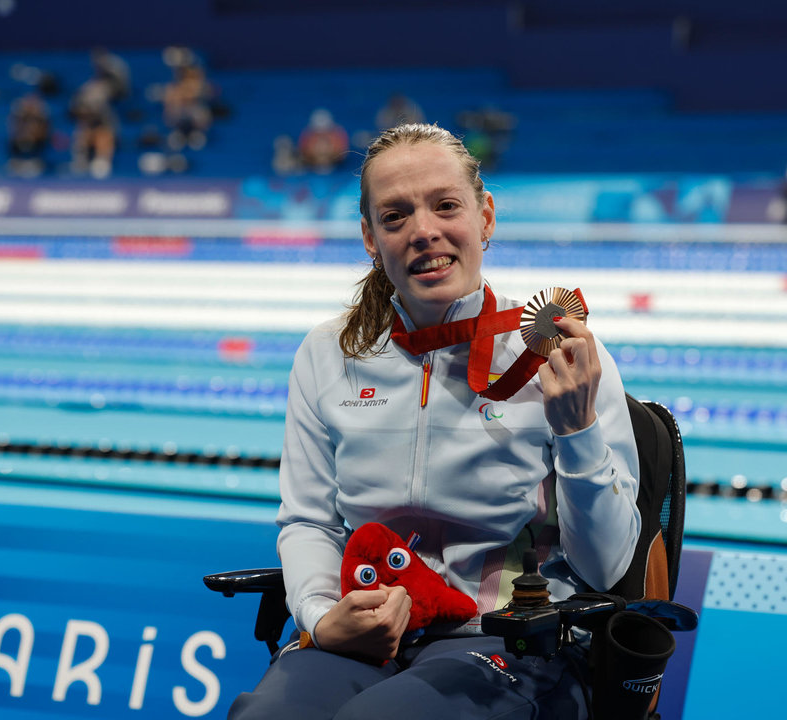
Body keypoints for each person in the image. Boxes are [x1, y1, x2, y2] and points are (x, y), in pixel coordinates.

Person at [228, 123, 641, 720]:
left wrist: (576, 430)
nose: (424, 232)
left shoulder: (558, 360)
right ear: (370, 236)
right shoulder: (326, 355)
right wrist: (322, 618)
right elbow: (309, 521)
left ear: (486, 216)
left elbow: (606, 569)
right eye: (395, 217)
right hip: (369, 635)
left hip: (510, 642)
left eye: (446, 206)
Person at [297, 108, 349, 173]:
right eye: (317, 138)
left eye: (327, 138)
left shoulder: (351, 174)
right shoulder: (296, 171)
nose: (322, 145)